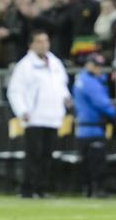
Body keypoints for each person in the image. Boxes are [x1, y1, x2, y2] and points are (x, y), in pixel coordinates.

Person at [7, 30, 71, 198]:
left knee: (47, 156)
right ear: (31, 44)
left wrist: (66, 98)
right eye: (39, 41)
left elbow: (62, 84)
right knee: (34, 155)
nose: (44, 45)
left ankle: (41, 188)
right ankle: (28, 189)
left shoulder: (55, 63)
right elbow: (15, 91)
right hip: (34, 117)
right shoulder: (25, 66)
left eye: (46, 41)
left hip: (53, 117)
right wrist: (22, 111)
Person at [73, 53, 116, 197]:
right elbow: (102, 103)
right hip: (93, 128)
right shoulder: (90, 82)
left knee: (86, 163)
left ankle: (88, 190)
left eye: (100, 66)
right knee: (96, 162)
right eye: (96, 65)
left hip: (83, 129)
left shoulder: (82, 79)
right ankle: (98, 190)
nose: (99, 69)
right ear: (89, 64)